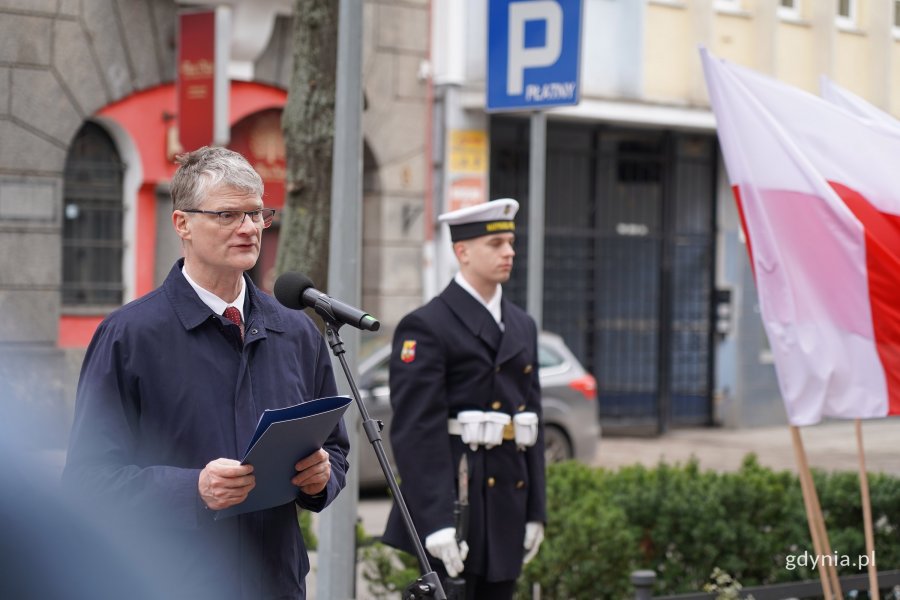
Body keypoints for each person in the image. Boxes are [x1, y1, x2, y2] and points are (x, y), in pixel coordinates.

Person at [62, 146, 350, 600]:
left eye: (257, 214)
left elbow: (334, 449)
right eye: (228, 215)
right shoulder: (130, 335)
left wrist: (321, 478)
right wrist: (192, 487)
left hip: (274, 583)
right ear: (183, 224)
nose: (249, 228)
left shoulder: (295, 331)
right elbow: (88, 481)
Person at [382, 198, 546, 599]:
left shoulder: (522, 324)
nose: (509, 252)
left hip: (508, 500)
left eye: (510, 242)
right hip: (458, 503)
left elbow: (531, 421)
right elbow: (417, 431)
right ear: (462, 252)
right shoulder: (427, 325)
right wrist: (436, 520)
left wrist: (535, 511)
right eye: (496, 244)